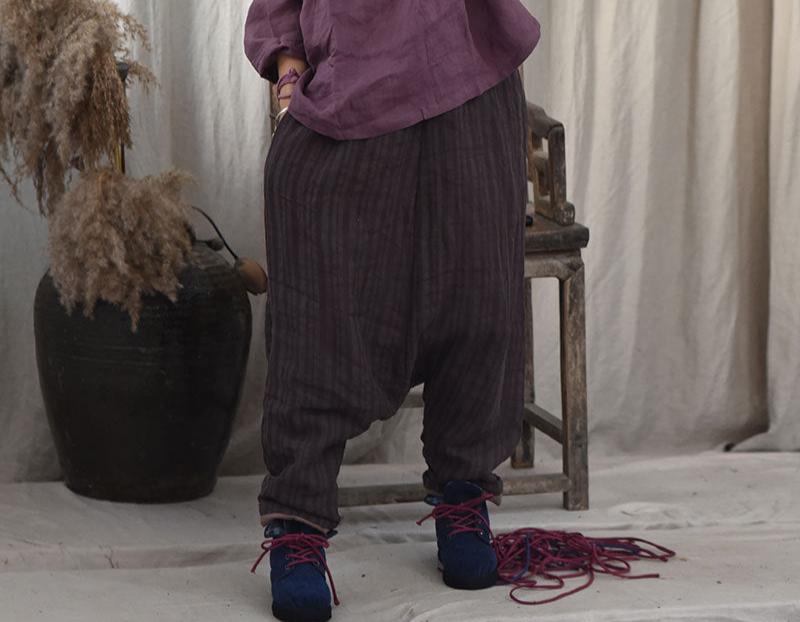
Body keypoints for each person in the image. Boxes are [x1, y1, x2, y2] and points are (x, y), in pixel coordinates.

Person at [244, 2, 541, 620]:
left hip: (469, 78)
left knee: (479, 297)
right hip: (349, 90)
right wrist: (289, 70)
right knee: (315, 318)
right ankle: (297, 522)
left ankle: (463, 496)